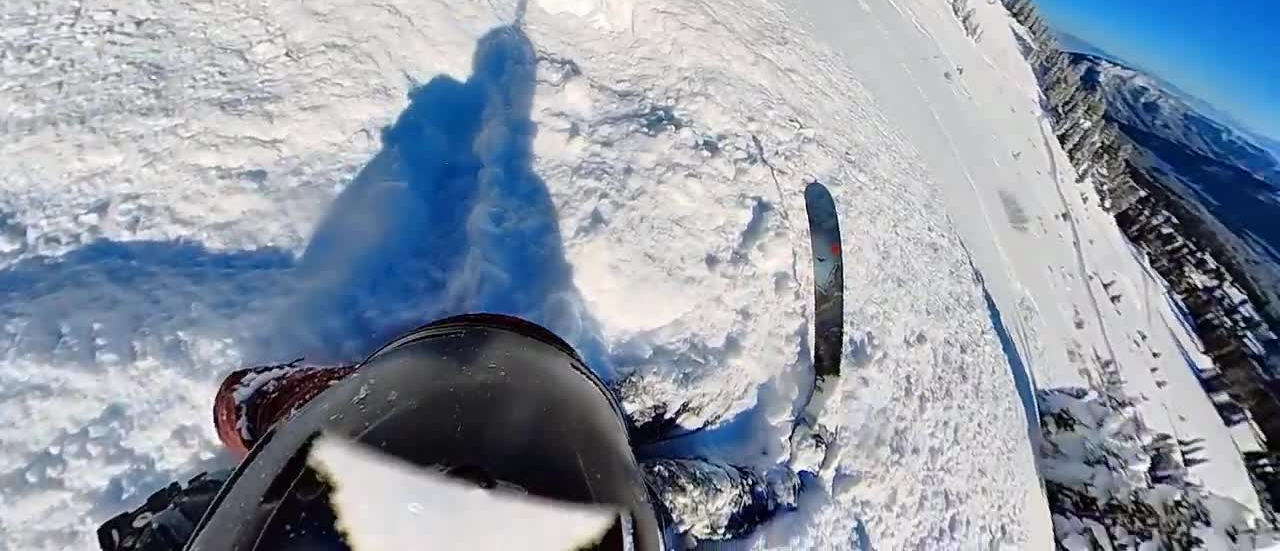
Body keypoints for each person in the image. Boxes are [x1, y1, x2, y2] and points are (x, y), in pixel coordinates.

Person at [99, 312, 830, 551]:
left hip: (391, 427)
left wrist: (153, 530)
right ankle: (751, 485)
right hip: (571, 487)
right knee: (656, 507)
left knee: (250, 413)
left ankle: (659, 444)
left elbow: (203, 514)